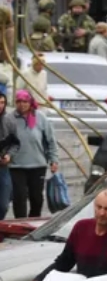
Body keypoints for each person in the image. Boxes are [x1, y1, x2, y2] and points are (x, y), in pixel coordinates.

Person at [9, 89, 57, 218]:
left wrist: (53, 159)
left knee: (36, 199)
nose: (22, 104)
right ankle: (20, 224)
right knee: (19, 198)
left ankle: (33, 222)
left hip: (38, 165)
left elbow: (50, 141)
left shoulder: (40, 117)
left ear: (30, 102)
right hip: (16, 166)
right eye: (18, 101)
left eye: (25, 101)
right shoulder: (9, 118)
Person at [0, 94, 18, 218]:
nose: (0, 105)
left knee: (3, 204)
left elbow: (15, 143)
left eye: (2, 102)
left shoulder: (9, 120)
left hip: (3, 167)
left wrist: (9, 155)